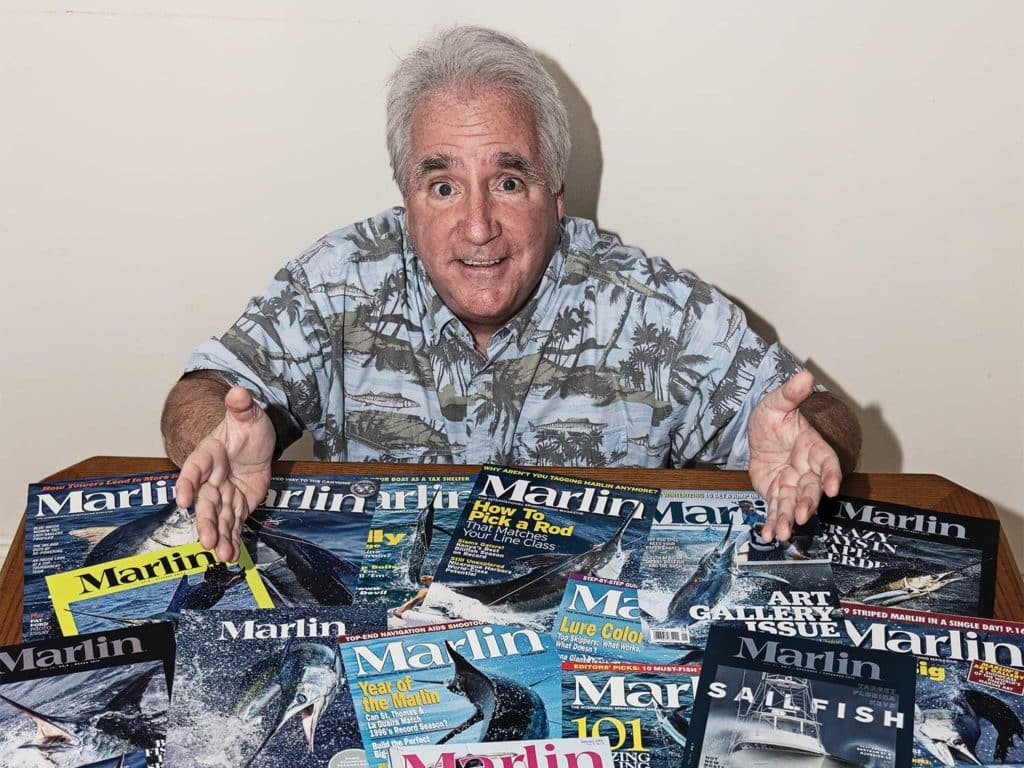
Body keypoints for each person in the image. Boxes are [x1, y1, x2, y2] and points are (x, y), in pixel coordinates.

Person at [161, 26, 861, 564]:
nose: (477, 227)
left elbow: (821, 417)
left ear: (555, 197)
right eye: (443, 187)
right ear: (406, 201)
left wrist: (814, 444)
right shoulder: (340, 278)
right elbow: (202, 393)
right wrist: (211, 436)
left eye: (508, 182)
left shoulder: (652, 311)